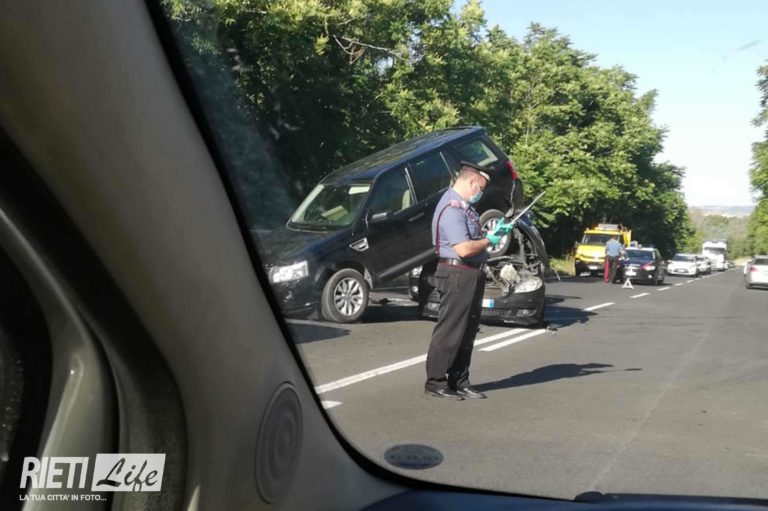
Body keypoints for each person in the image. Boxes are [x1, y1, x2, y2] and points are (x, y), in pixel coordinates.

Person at [424, 162, 511, 400]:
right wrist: (489, 241)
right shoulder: (452, 208)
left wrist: (493, 233)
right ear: (471, 182)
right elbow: (463, 248)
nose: (481, 193)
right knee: (451, 329)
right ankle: (436, 380)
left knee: (468, 330)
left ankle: (459, 379)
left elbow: (473, 239)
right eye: (480, 188)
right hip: (457, 272)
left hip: (470, 272)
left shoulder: (466, 209)